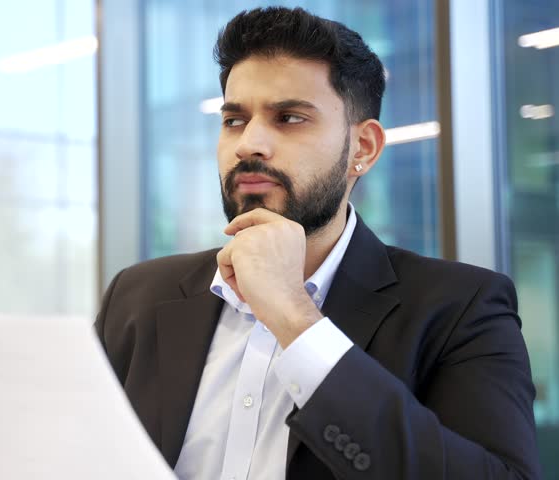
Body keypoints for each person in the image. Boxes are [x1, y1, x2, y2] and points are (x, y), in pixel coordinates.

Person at [94, 6, 541, 480]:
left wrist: (295, 318)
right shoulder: (138, 296)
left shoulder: (460, 308)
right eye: (234, 120)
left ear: (363, 149)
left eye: (289, 117)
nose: (250, 143)